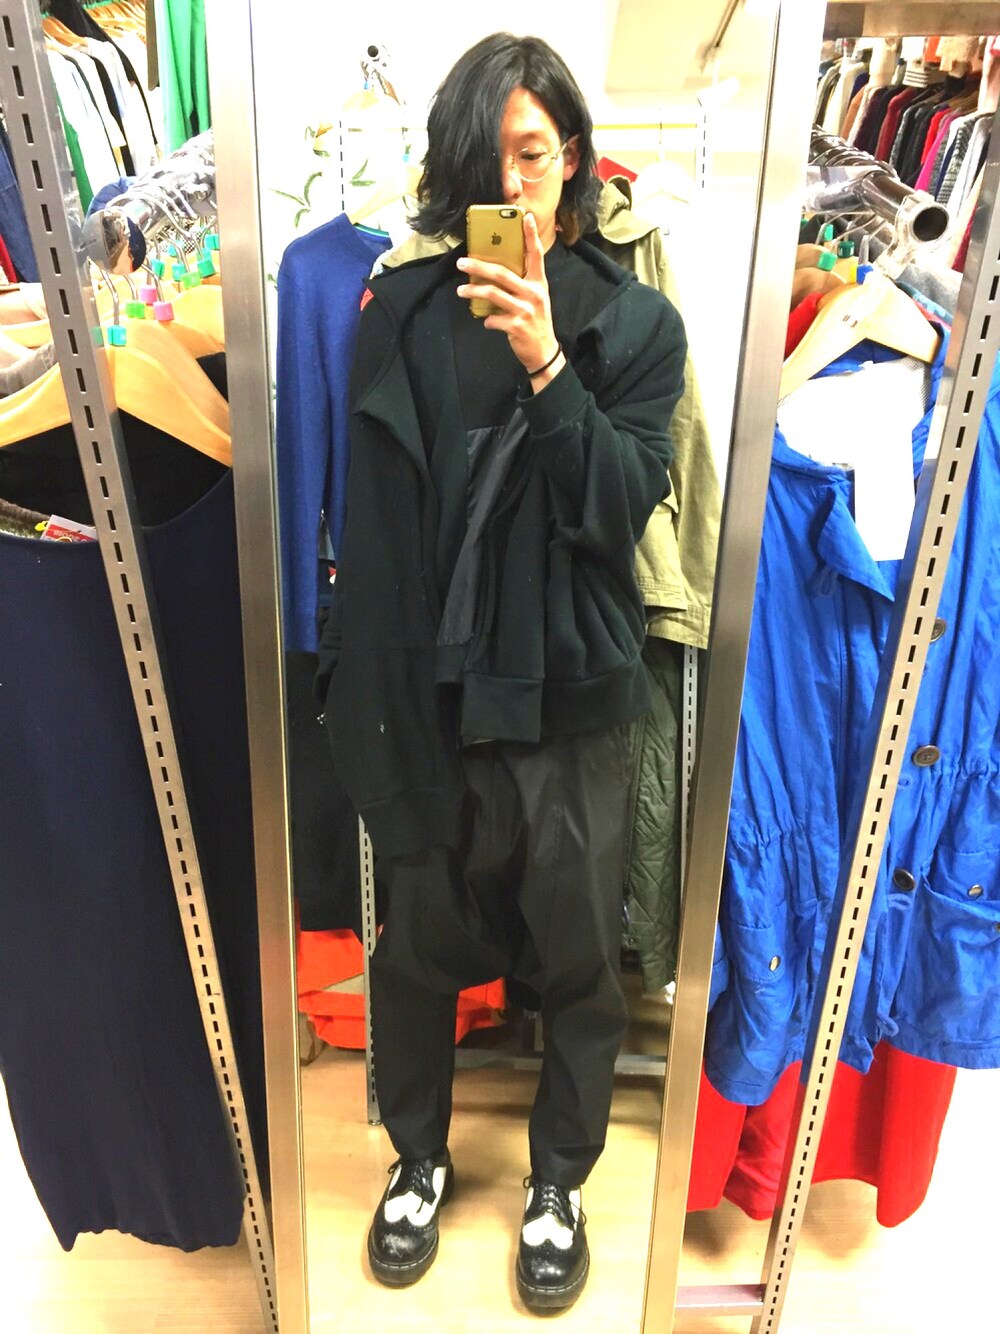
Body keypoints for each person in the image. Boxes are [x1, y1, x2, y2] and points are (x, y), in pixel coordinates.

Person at [315, 32, 686, 1313]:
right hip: (432, 701)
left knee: (579, 965)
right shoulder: (399, 316)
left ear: (571, 157)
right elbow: (370, 528)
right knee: (415, 951)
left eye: (529, 153)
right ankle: (417, 1156)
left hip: (572, 707)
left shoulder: (635, 322)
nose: (509, 181)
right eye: (485, 160)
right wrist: (364, 704)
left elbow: (621, 503)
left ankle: (559, 1181)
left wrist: (544, 364)